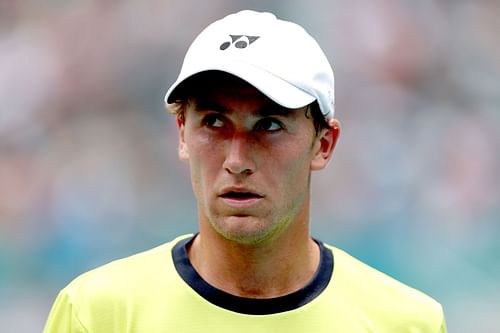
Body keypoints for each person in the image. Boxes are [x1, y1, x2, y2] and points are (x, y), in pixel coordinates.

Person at [44, 10, 447, 332]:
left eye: (269, 125)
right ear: (182, 133)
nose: (236, 159)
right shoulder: (96, 315)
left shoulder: (406, 323)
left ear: (323, 144)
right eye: (214, 122)